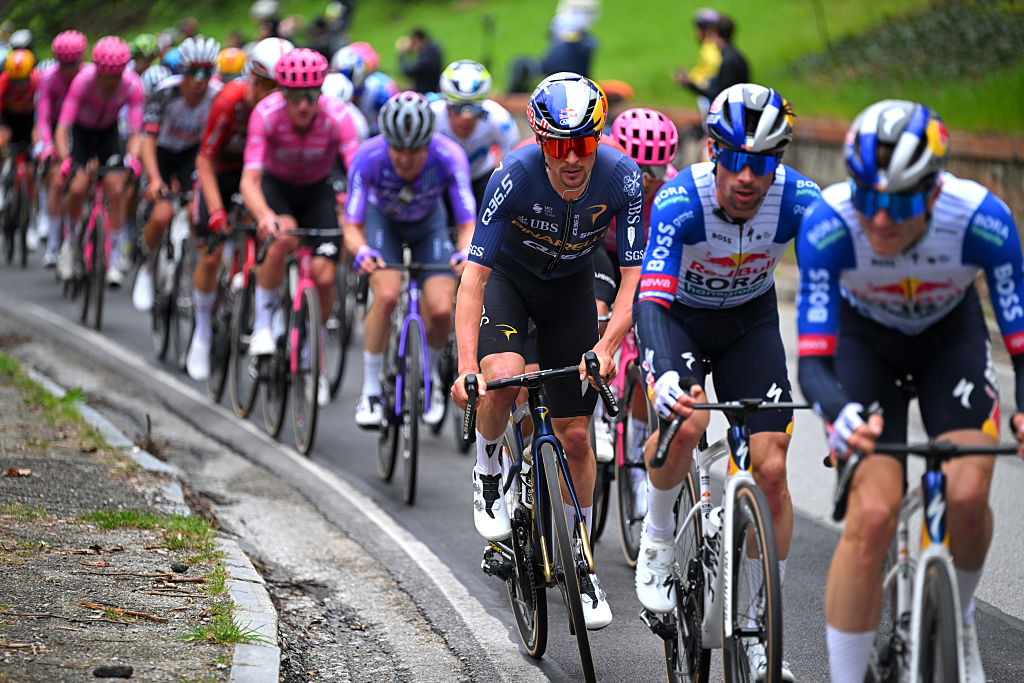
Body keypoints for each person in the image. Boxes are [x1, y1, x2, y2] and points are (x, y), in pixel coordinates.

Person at [795, 99, 1024, 683]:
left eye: (897, 202)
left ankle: (962, 617)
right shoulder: (828, 223)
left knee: (969, 494)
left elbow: (1020, 344)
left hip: (950, 339)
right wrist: (841, 414)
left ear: (933, 189)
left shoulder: (983, 221)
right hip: (863, 343)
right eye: (868, 198)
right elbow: (813, 364)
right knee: (873, 516)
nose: (880, 219)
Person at [633, 83, 819, 681]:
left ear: (778, 161)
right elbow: (651, 300)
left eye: (761, 161)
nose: (745, 176)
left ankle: (761, 624)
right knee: (688, 422)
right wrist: (662, 374)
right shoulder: (680, 201)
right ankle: (658, 539)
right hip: (678, 319)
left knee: (770, 468)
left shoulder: (800, 203)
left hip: (748, 325)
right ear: (713, 150)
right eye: (733, 159)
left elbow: (835, 288)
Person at [449, 72, 645, 631]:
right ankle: (488, 470)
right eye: (560, 146)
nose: (573, 159)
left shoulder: (622, 178)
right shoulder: (512, 176)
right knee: (504, 380)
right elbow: (473, 280)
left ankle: (580, 563)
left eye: (584, 143)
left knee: (577, 435)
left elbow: (633, 279)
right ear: (540, 142)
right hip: (509, 282)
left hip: (570, 292)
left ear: (598, 138)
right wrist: (467, 369)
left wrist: (608, 347)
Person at [345, 90, 475, 428]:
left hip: (428, 226)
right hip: (382, 223)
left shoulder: (449, 155)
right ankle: (371, 388)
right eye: (398, 150)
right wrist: (361, 251)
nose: (405, 160)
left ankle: (429, 376)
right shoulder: (368, 156)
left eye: (415, 151)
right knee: (386, 296)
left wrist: (464, 252)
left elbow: (466, 222)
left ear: (428, 144)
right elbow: (352, 224)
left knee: (442, 308)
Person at [241, 47, 362, 407]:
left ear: (321, 93)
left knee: (325, 276)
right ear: (283, 94)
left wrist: (349, 216)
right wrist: (264, 214)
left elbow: (357, 177)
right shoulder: (265, 114)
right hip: (276, 189)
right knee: (283, 236)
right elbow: (250, 180)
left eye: (311, 96)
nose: (304, 105)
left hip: (317, 192)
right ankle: (263, 325)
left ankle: (313, 346)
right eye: (295, 97)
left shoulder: (339, 117)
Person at [185, 37, 293, 382]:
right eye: (265, 86)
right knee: (212, 252)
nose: (273, 95)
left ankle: (264, 308)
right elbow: (204, 157)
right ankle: (201, 331)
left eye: (280, 88)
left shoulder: (285, 111)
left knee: (274, 241)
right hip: (221, 172)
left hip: (258, 176)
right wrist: (216, 210)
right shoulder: (229, 101)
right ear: (251, 80)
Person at [605, 105, 679, 500]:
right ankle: (596, 411)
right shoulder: (602, 172)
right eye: (640, 170)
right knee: (595, 318)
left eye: (657, 171)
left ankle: (634, 451)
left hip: (645, 261)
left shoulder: (673, 190)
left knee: (643, 357)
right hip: (601, 254)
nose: (647, 181)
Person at [130, 37, 222, 294]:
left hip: (191, 155)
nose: (199, 80)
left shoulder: (217, 96)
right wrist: (156, 180)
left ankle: (196, 272)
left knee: (196, 209)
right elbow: (148, 140)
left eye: (206, 72)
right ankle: (147, 266)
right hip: (160, 151)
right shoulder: (165, 93)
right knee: (161, 215)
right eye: (193, 72)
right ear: (183, 71)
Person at [55, 36, 144, 284]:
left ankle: (113, 256)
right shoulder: (82, 82)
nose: (111, 82)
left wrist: (133, 158)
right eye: (106, 75)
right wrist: (65, 159)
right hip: (81, 134)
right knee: (78, 186)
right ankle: (70, 244)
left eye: (116, 76)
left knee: (116, 189)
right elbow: (63, 126)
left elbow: (136, 132)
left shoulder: (132, 85)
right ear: (97, 70)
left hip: (108, 134)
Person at [431, 60, 519, 208]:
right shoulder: (431, 116)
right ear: (446, 103)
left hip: (481, 177)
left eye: (475, 108)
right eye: (458, 107)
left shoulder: (499, 119)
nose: (467, 116)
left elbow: (515, 163)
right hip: (442, 180)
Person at [34, 30, 88, 268]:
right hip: (57, 128)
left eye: (73, 63)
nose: (68, 69)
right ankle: (54, 243)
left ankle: (83, 231)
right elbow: (43, 118)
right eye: (63, 64)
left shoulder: (88, 76)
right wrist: (46, 145)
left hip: (84, 129)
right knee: (57, 180)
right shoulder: (47, 78)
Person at [676, 13, 749, 104]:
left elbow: (719, 94)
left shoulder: (727, 60)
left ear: (714, 34)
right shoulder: (736, 55)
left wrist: (689, 84)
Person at [672, 7, 721, 118]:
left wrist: (694, 80)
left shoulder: (709, 47)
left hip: (708, 92)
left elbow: (714, 68)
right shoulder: (712, 46)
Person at [396, 28, 442, 94]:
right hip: (432, 89)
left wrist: (402, 53)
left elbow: (407, 72)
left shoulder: (428, 56)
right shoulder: (432, 49)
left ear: (417, 39)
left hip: (427, 93)